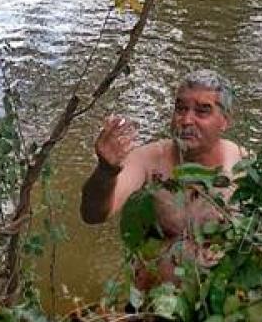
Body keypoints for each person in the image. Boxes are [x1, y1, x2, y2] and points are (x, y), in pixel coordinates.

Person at [80, 69, 247, 283]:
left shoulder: (242, 165)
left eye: (202, 111)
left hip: (218, 304)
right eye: (180, 109)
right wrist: (106, 170)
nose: (186, 120)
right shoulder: (148, 161)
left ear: (225, 121)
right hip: (151, 303)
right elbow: (93, 215)